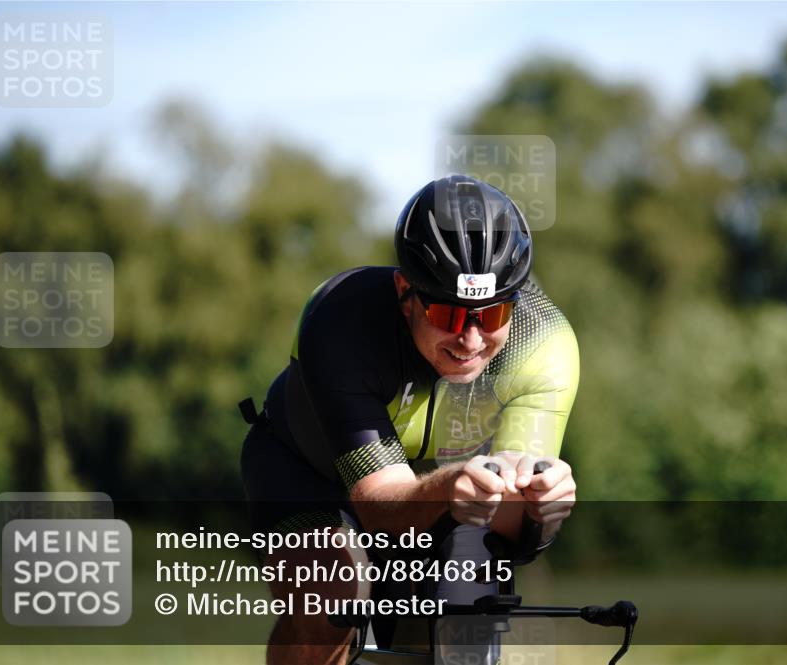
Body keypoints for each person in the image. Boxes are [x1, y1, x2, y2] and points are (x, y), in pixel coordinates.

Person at [240, 175, 580, 664]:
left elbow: (512, 534)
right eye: (447, 313)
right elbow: (379, 509)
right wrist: (454, 486)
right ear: (406, 292)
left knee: (470, 599)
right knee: (334, 590)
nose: (470, 340)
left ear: (516, 301)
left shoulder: (543, 345)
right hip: (306, 473)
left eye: (490, 314)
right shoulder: (342, 319)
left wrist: (541, 509)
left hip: (445, 487)